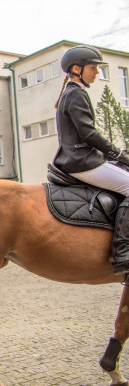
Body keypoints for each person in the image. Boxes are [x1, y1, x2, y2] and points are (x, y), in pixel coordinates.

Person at [52, 45, 129, 277]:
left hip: (77, 159)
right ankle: (123, 251)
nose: (96, 72)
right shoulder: (76, 93)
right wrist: (118, 154)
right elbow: (89, 134)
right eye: (93, 68)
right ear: (77, 69)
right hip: (81, 161)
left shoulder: (72, 93)